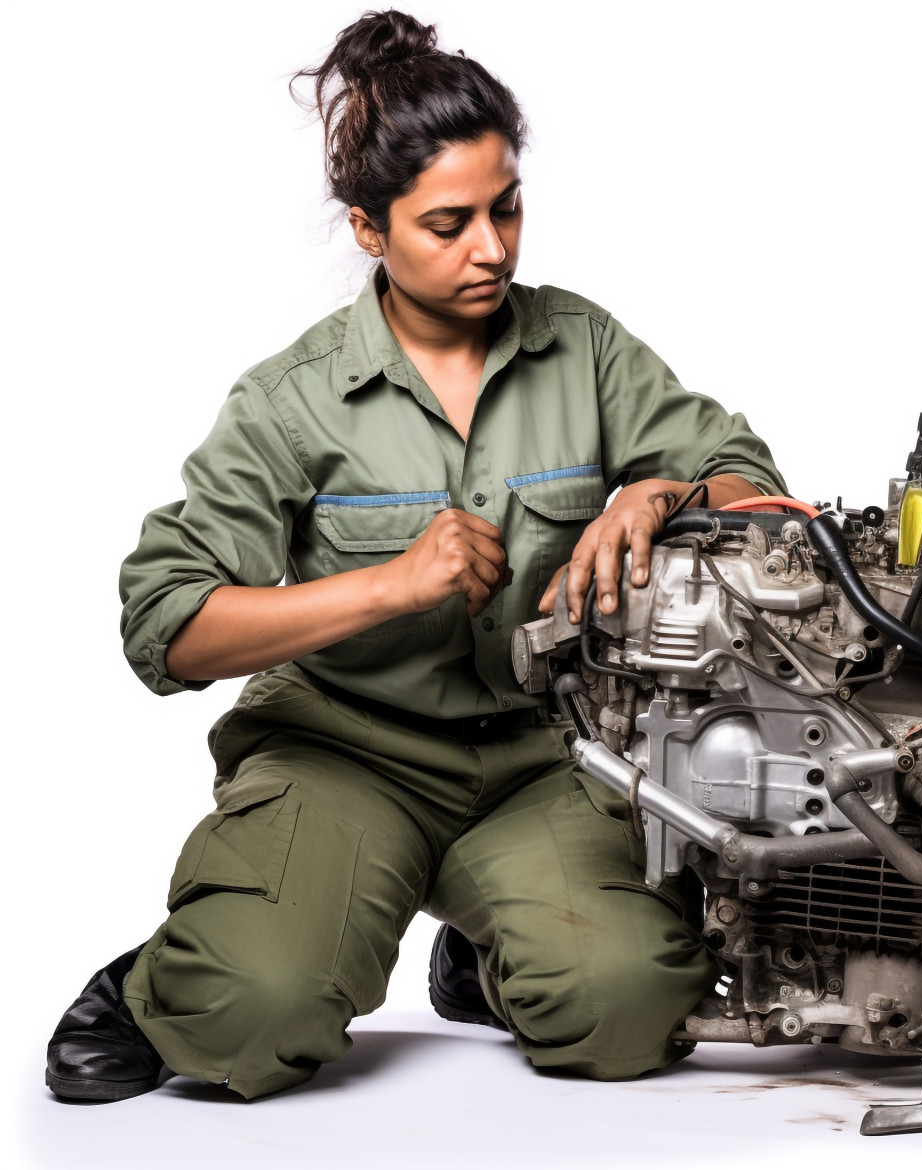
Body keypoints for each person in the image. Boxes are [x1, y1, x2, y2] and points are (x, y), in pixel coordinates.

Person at [45, 10, 786, 1102]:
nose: (491, 248)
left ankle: (490, 956)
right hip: (348, 754)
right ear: (368, 227)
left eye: (507, 209)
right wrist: (390, 584)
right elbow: (167, 627)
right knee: (245, 1022)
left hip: (551, 760)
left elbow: (748, 477)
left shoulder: (579, 348)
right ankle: (171, 974)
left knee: (631, 1008)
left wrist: (659, 491)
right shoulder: (289, 399)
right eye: (448, 223)